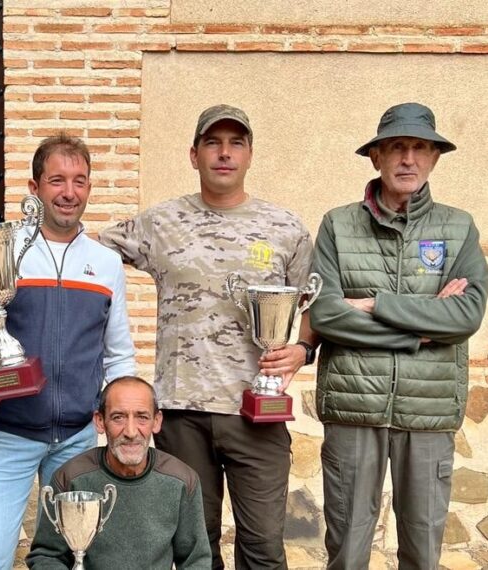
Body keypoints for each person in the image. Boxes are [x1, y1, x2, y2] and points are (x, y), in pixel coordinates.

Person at [99, 104, 318, 569]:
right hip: (182, 414)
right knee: (196, 547)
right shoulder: (159, 223)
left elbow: (312, 303)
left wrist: (302, 349)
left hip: (255, 413)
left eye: (235, 143)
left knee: (263, 547)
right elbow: (89, 251)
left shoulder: (286, 229)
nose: (224, 153)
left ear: (250, 154)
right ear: (193, 154)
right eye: (212, 143)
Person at [310, 102, 488, 569]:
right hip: (353, 409)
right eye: (396, 147)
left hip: (427, 413)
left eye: (419, 148)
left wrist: (375, 304)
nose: (407, 159)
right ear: (376, 158)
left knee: (422, 549)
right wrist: (419, 330)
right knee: (347, 550)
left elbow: (466, 315)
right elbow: (326, 314)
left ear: (434, 158)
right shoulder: (337, 224)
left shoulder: (458, 226)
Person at [0, 134, 136, 569]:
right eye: (56, 180)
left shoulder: (106, 264)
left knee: (74, 559)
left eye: (79, 181)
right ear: (34, 188)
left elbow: (119, 354)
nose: (69, 192)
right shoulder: (3, 253)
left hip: (77, 440)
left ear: (89, 188)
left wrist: (119, 413)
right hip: (7, 437)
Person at [27, 376, 212, 569]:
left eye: (142, 417)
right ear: (100, 422)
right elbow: (46, 556)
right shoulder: (71, 478)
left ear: (156, 421)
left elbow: (196, 561)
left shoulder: (182, 480)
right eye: (118, 417)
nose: (131, 431)